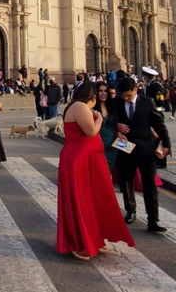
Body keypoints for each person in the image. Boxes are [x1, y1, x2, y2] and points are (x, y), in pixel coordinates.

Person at [57, 81, 135, 260]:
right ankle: (78, 242)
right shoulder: (80, 107)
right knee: (81, 202)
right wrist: (98, 118)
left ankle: (92, 239)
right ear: (90, 96)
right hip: (80, 161)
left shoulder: (79, 106)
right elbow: (91, 132)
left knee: (90, 201)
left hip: (87, 160)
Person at [110, 74, 169, 232]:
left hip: (146, 150)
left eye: (129, 95)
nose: (126, 99)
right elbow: (109, 120)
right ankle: (130, 211)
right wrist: (117, 126)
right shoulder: (116, 102)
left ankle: (153, 220)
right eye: (123, 96)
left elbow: (159, 124)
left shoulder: (147, 102)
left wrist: (166, 144)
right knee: (126, 182)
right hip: (125, 148)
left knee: (150, 186)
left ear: (136, 90)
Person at [94, 81, 119, 176]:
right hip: (97, 144)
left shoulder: (112, 106)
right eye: (100, 91)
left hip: (112, 145)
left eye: (105, 91)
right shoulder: (91, 107)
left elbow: (115, 124)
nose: (103, 93)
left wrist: (118, 132)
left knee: (108, 172)